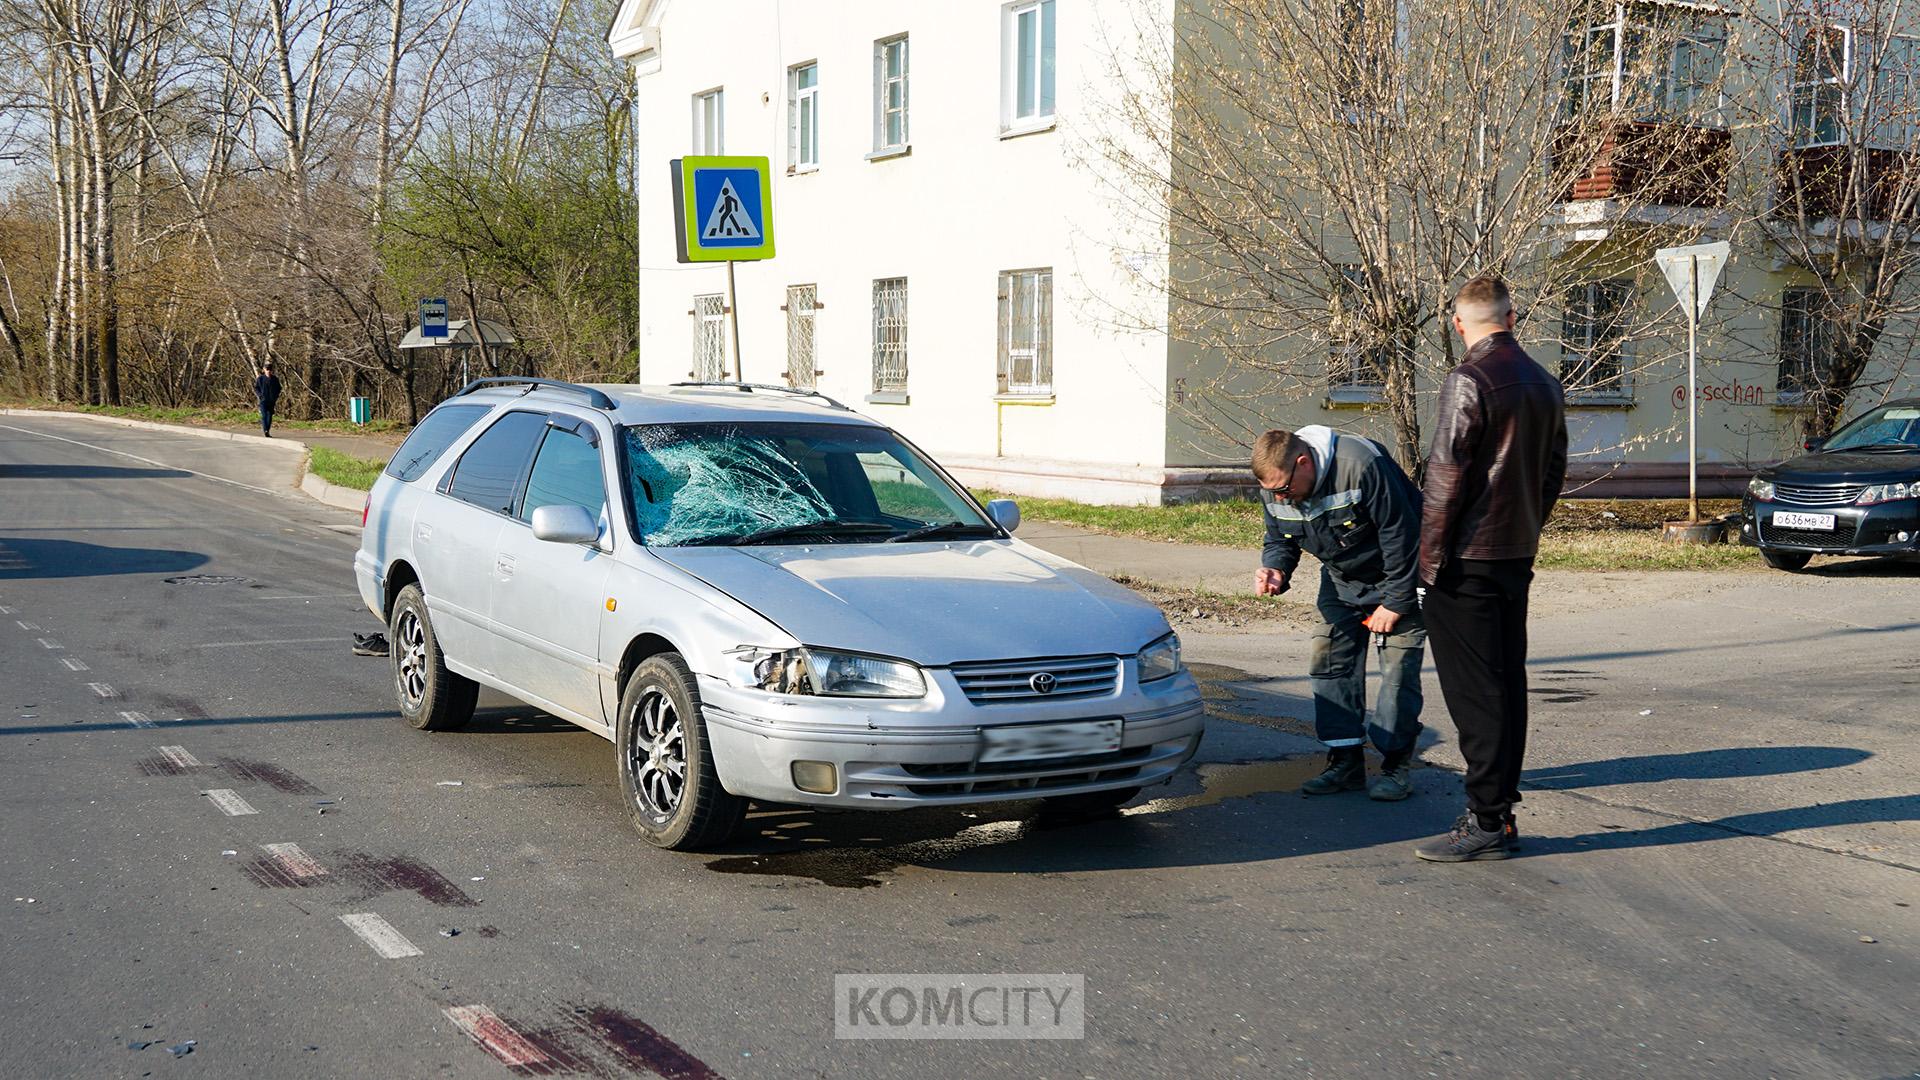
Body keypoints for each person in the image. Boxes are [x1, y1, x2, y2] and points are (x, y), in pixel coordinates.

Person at [1413, 275, 1567, 863]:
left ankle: (1484, 820)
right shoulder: (1545, 383)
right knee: (1507, 684)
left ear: (1459, 325)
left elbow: (1444, 482)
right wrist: (1527, 525)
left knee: (1476, 694)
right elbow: (1553, 473)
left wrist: (1427, 567)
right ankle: (1496, 817)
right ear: (1514, 316)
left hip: (1467, 562)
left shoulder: (1468, 380)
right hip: (1513, 554)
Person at [1251, 425, 1426, 801]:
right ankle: (1345, 763)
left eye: (1284, 488)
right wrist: (1275, 568)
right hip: (1342, 579)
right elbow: (1280, 537)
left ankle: (1396, 766)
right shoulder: (1276, 486)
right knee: (1329, 660)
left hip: (1401, 575)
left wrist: (1395, 602)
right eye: (1274, 492)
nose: (1282, 497)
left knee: (1398, 672)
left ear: (1303, 462)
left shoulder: (1361, 464)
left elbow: (1402, 534)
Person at [254, 363, 282, 438]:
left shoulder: (275, 379)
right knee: (264, 416)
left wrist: (275, 396)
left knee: (269, 416)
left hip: (271, 401)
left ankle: (267, 431)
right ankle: (265, 430)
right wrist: (260, 395)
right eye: (267, 370)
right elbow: (256, 388)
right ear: (264, 370)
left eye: (270, 370)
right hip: (263, 400)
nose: (268, 371)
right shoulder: (260, 379)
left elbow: (279, 388)